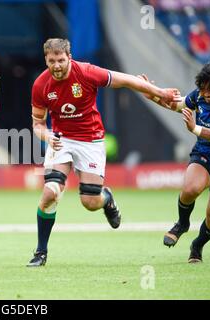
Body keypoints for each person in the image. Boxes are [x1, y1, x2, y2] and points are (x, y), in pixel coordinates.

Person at [27, 38, 181, 267]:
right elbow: (37, 123)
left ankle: (106, 199)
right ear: (46, 60)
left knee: (89, 202)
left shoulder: (88, 72)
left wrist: (160, 92)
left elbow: (128, 80)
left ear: (69, 57)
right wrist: (47, 135)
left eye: (61, 60)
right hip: (61, 140)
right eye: (52, 61)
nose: (57, 65)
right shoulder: (41, 85)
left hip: (91, 141)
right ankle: (40, 253)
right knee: (50, 193)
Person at [139, 62, 210, 263]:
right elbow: (178, 105)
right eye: (203, 89)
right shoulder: (200, 96)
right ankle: (182, 224)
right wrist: (153, 96)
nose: (206, 94)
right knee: (191, 189)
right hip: (204, 154)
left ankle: (197, 245)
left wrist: (195, 129)